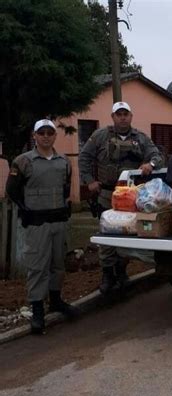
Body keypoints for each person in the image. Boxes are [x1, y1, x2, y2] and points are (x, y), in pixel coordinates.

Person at [79, 102, 163, 294]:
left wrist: (150, 164)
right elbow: (84, 157)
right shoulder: (100, 136)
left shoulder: (140, 138)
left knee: (127, 233)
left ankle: (121, 270)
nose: (123, 117)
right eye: (119, 114)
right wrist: (89, 181)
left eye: (126, 114)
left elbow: (157, 156)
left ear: (131, 116)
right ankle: (108, 274)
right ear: (113, 117)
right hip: (107, 195)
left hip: (131, 197)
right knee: (107, 234)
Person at [6, 119, 77, 334]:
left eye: (50, 133)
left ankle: (55, 300)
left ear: (55, 136)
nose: (46, 136)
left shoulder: (63, 161)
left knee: (58, 264)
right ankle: (37, 310)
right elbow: (12, 191)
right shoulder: (24, 161)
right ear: (34, 136)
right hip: (37, 224)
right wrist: (25, 210)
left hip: (58, 222)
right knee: (37, 267)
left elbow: (65, 188)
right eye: (42, 133)